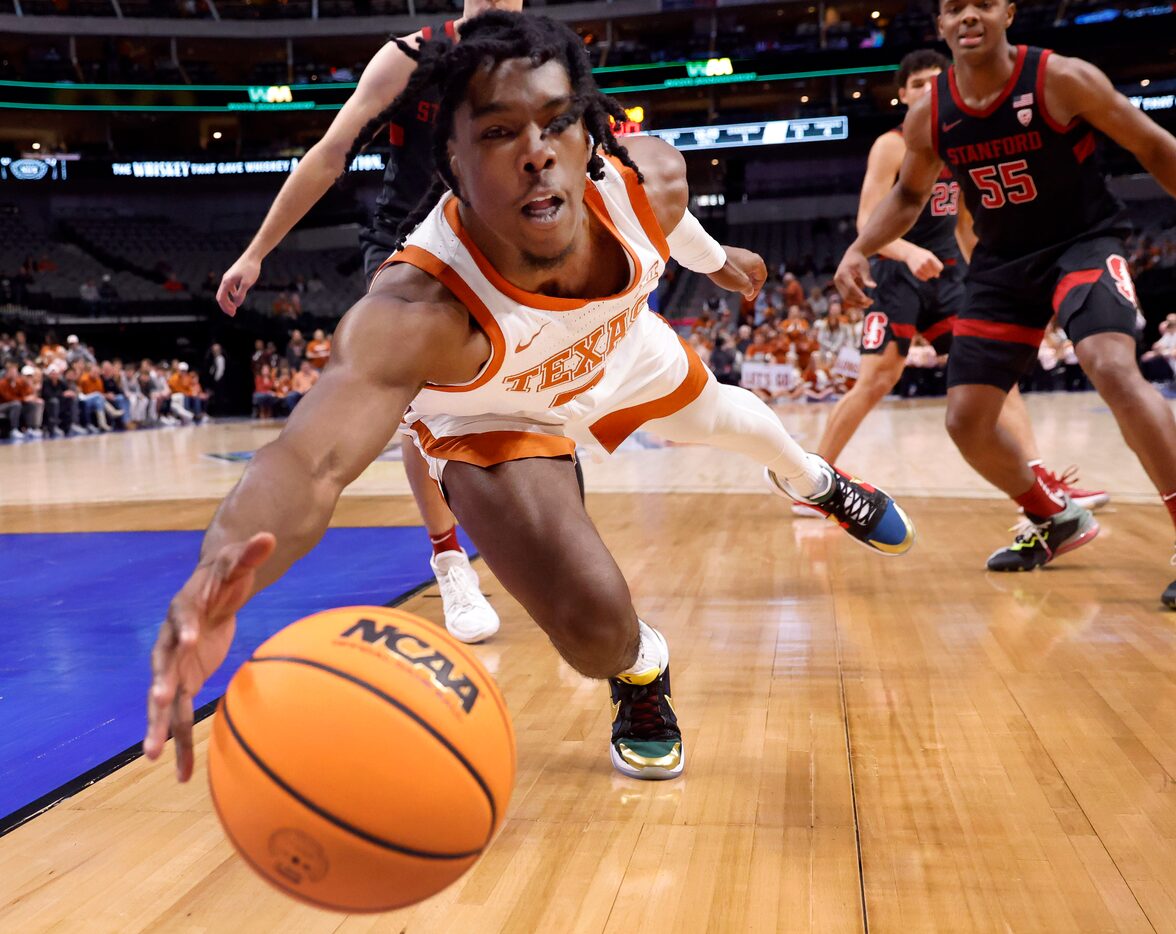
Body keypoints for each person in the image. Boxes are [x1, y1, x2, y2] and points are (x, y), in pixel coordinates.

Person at [146, 10, 916, 786]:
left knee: (730, 419)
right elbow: (307, 461)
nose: (537, 153)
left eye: (556, 123)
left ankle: (815, 481)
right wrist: (214, 579)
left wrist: (716, 264)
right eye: (498, 133)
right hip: (496, 413)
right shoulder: (414, 312)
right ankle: (642, 668)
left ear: (591, 135)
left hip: (614, 346)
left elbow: (672, 221)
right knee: (592, 632)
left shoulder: (648, 175)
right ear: (451, 159)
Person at [834, 1, 1176, 607]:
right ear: (939, 25)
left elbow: (1151, 144)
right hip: (1002, 262)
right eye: (954, 7)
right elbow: (909, 195)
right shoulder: (931, 112)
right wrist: (861, 248)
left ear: (1008, 12)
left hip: (1083, 241)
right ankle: (1055, 517)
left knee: (1110, 363)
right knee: (966, 420)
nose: (969, 15)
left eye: (983, 3)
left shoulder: (1060, 78)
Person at [215, 0, 525, 645]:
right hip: (405, 244)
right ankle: (448, 562)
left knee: (524, 402)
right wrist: (256, 250)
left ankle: (535, 530)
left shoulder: (537, 61)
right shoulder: (410, 57)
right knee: (418, 399)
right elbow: (330, 156)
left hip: (496, 242)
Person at [808, 50, 1108, 521]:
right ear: (903, 95)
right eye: (920, 84)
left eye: (937, 80)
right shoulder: (891, 144)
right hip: (897, 275)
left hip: (948, 277)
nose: (931, 89)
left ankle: (1040, 479)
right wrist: (907, 251)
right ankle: (815, 482)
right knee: (876, 381)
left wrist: (990, 278)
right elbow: (867, 221)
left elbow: (968, 224)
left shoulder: (957, 142)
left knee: (996, 377)